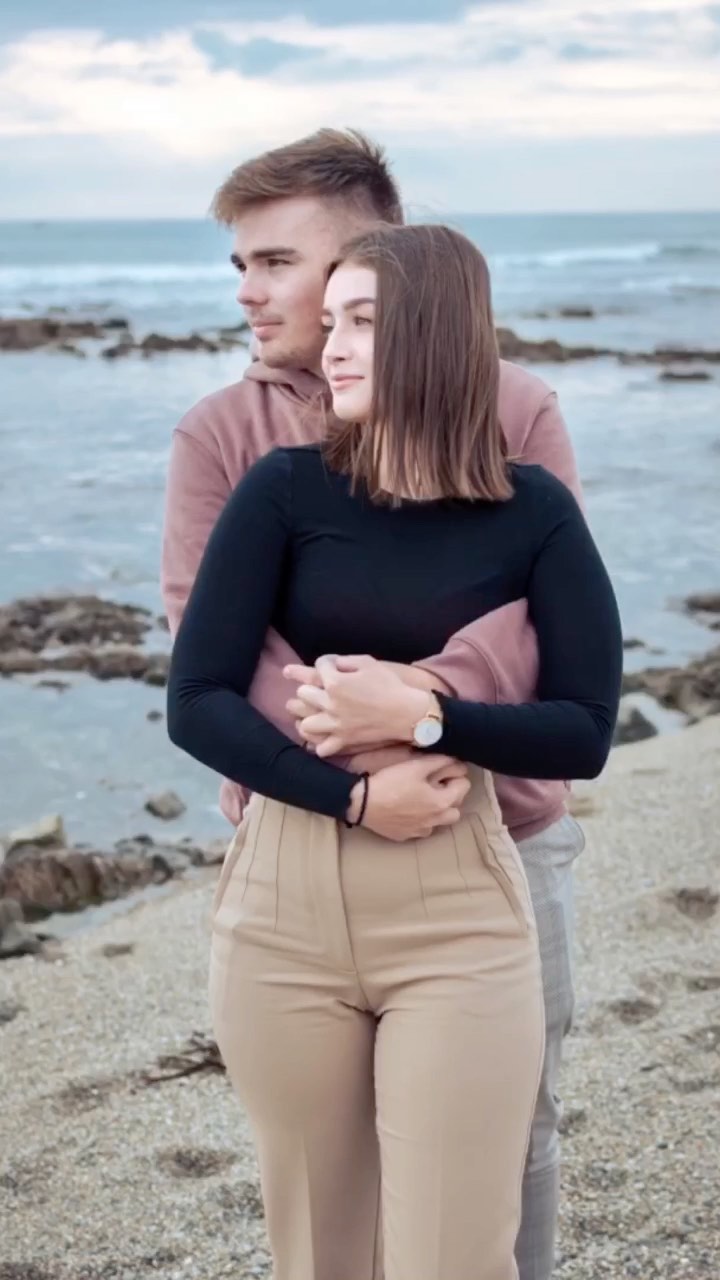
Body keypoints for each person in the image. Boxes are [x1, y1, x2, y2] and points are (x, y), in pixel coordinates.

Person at [161, 130, 588, 1280]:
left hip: (503, 829)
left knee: (508, 1144)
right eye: (238, 265)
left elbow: (538, 634)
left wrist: (420, 705)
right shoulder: (225, 437)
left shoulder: (517, 412)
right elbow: (208, 640)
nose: (247, 291)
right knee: (326, 1182)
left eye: (273, 262)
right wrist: (354, 771)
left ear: (375, 264)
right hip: (298, 839)